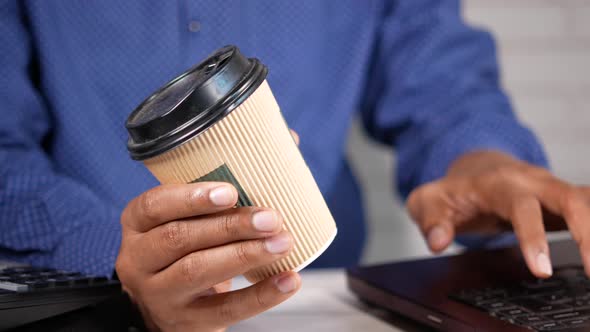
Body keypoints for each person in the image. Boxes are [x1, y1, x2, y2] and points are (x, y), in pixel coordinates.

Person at [1, 1, 589, 331]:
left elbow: (443, 85)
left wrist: (481, 162)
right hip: (89, 311)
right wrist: (114, 261)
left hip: (313, 306)